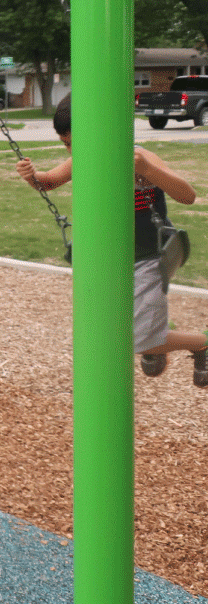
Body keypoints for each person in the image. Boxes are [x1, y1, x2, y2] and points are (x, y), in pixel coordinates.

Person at [14, 94, 207, 387]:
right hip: (109, 257)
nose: (73, 150)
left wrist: (147, 170)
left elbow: (188, 196)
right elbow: (48, 183)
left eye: (77, 141)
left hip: (148, 255)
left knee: (140, 340)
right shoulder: (82, 160)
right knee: (110, 328)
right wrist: (32, 176)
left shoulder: (137, 156)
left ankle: (200, 343)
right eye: (67, 144)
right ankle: (156, 339)